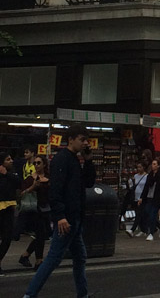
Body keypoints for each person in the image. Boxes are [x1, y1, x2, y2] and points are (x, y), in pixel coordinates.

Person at [22, 124, 96, 298]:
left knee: (79, 257)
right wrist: (60, 216)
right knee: (54, 258)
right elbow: (56, 191)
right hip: (67, 219)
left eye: (86, 140)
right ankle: (29, 295)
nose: (85, 143)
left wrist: (89, 160)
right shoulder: (63, 159)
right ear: (70, 140)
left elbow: (88, 183)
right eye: (81, 140)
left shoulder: (76, 160)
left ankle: (83, 294)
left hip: (75, 218)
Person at [18, 154, 51, 269]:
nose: (36, 165)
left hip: (46, 209)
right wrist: (32, 187)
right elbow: (22, 194)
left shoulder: (49, 177)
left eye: (38, 163)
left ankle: (25, 255)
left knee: (42, 234)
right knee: (40, 234)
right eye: (35, 163)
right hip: (34, 210)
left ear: (44, 164)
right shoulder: (30, 179)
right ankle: (39, 261)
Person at [0, 153, 22, 274]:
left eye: (11, 158)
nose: (11, 161)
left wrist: (6, 174)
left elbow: (19, 183)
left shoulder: (12, 173)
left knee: (7, 238)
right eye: (8, 159)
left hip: (9, 208)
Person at [140, 158, 160, 240]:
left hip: (157, 198)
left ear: (158, 166)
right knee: (147, 213)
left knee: (152, 214)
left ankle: (151, 233)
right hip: (149, 197)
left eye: (155, 164)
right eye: (152, 164)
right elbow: (146, 187)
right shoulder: (150, 175)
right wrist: (142, 197)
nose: (153, 166)